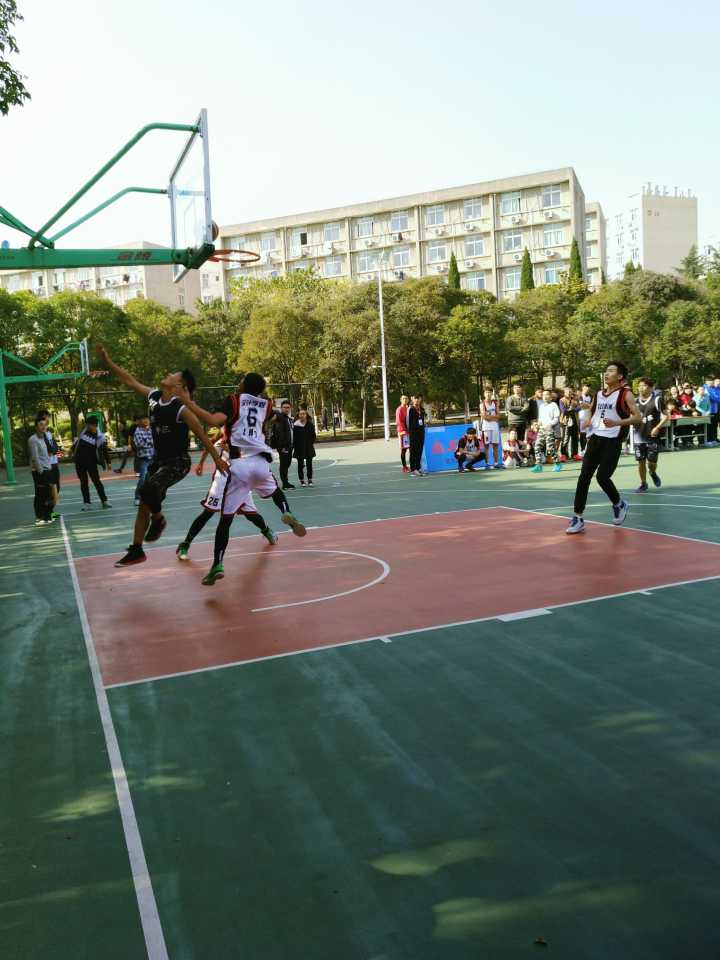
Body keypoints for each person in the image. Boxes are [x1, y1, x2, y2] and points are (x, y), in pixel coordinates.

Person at [96, 345, 227, 567]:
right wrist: (108, 361)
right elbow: (130, 381)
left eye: (173, 374)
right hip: (159, 461)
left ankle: (158, 520)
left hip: (178, 462)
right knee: (145, 501)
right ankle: (137, 550)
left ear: (179, 386)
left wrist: (216, 458)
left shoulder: (181, 409)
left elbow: (202, 434)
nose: (168, 374)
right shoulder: (154, 397)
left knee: (147, 489)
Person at [178, 372, 306, 586]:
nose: (238, 382)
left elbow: (212, 420)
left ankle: (217, 564)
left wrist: (187, 401)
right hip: (261, 464)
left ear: (244, 384)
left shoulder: (233, 401)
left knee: (225, 521)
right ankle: (286, 511)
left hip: (238, 465)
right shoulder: (265, 405)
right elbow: (274, 416)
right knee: (276, 491)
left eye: (242, 380)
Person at [566, 361, 641, 535]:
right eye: (606, 371)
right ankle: (578, 517)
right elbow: (592, 410)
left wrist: (617, 422)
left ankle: (619, 504)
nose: (606, 374)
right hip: (595, 439)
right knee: (584, 477)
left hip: (613, 441)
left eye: (611, 371)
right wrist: (588, 420)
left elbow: (638, 418)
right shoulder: (599, 394)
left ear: (620, 376)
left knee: (602, 477)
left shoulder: (626, 394)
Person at [176, 436, 277, 559]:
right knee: (208, 513)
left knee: (250, 514)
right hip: (222, 480)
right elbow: (208, 444)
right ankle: (185, 544)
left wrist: (232, 450)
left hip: (239, 480)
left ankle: (266, 530)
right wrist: (201, 463)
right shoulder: (224, 432)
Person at [634, 377, 667, 492]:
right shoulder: (634, 401)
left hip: (653, 437)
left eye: (644, 386)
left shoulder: (657, 400)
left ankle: (652, 472)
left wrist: (657, 427)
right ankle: (643, 483)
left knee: (651, 463)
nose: (641, 388)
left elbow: (666, 416)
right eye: (640, 386)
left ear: (652, 388)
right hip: (638, 436)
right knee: (641, 461)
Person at [73, 415, 112, 511]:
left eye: (89, 425)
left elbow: (104, 450)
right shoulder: (83, 434)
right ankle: (87, 503)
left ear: (94, 425)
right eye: (86, 424)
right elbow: (75, 446)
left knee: (97, 482)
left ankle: (104, 501)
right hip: (79, 462)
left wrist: (108, 462)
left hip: (91, 463)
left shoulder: (100, 437)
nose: (87, 426)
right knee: (84, 483)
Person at [28, 416, 55, 524]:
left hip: (47, 469)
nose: (44, 427)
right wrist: (41, 472)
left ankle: (46, 515)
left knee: (48, 494)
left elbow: (48, 454)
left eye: (45, 424)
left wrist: (49, 468)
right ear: (36, 427)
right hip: (39, 471)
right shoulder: (33, 440)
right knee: (40, 495)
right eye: (41, 425)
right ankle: (40, 517)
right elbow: (35, 457)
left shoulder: (44, 437)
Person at [36, 409, 61, 518]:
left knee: (57, 487)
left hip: (54, 463)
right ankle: (43, 513)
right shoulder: (39, 435)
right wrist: (52, 450)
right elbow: (49, 449)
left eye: (48, 417)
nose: (48, 420)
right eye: (46, 417)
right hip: (46, 465)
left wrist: (54, 451)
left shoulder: (49, 432)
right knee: (47, 489)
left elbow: (55, 447)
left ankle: (50, 510)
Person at [530, 390, 562, 473]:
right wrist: (537, 424)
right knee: (537, 446)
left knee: (550, 448)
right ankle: (538, 465)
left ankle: (558, 463)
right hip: (542, 430)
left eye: (547, 395)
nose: (545, 396)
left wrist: (550, 424)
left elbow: (556, 418)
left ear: (551, 397)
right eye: (543, 395)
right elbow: (540, 419)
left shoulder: (554, 405)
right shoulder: (541, 406)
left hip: (550, 429)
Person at [269, 400, 295, 489]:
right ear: (281, 408)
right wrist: (283, 446)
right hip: (284, 446)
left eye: (288, 407)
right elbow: (280, 433)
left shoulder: (287, 418)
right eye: (285, 407)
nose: (286, 409)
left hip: (289, 445)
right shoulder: (280, 417)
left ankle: (286, 482)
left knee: (287, 463)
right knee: (284, 464)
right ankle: (285, 483)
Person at [131, 413, 154, 506]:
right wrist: (150, 442)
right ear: (139, 421)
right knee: (143, 479)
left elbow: (154, 442)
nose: (146, 421)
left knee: (151, 479)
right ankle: (137, 497)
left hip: (152, 457)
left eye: (147, 419)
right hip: (143, 459)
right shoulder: (137, 431)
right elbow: (139, 444)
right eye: (143, 419)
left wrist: (147, 441)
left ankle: (149, 497)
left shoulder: (151, 430)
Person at [480, 389, 504, 468]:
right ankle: (487, 464)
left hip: (495, 427)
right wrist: (494, 418)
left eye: (489, 392)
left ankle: (496, 463)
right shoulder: (482, 404)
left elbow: (499, 415)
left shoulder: (495, 403)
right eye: (486, 392)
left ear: (492, 394)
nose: (488, 394)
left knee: (495, 446)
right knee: (486, 446)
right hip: (486, 427)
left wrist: (490, 417)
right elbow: (484, 417)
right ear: (484, 394)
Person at [293, 408, 317, 486]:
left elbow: (313, 436)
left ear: (306, 415)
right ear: (298, 415)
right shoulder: (296, 425)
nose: (302, 415)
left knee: (309, 464)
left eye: (304, 414)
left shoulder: (310, 424)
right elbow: (294, 438)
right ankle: (302, 480)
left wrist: (310, 443)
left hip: (308, 447)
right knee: (300, 464)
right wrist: (295, 446)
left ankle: (310, 479)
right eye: (301, 414)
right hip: (299, 448)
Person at [407, 395, 427, 477]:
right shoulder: (410, 409)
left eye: (418, 398)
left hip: (421, 433)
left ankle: (418, 468)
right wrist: (410, 432)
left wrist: (424, 425)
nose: (417, 400)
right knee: (413, 451)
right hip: (413, 433)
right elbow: (407, 422)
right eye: (415, 398)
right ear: (412, 399)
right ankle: (413, 468)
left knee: (419, 451)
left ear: (420, 399)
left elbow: (423, 420)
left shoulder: (422, 409)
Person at [559, 388, 581, 461]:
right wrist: (572, 409)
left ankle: (575, 454)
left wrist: (571, 409)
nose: (568, 393)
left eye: (570, 392)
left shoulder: (575, 399)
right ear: (564, 392)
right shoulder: (561, 400)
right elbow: (563, 411)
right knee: (565, 439)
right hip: (565, 422)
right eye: (567, 392)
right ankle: (564, 455)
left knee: (575, 439)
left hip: (575, 421)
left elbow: (579, 408)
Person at [395, 394, 411, 472]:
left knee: (411, 449)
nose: (405, 400)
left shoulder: (408, 408)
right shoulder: (399, 409)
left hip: (409, 432)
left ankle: (412, 465)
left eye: (406, 398)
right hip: (403, 432)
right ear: (401, 400)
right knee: (404, 450)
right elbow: (399, 421)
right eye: (403, 398)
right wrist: (403, 431)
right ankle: (404, 467)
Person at [704, 376, 720, 446]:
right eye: (709, 381)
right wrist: (718, 398)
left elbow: (716, 397)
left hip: (715, 410)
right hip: (708, 411)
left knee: (714, 425)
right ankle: (708, 440)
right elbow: (712, 397)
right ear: (706, 382)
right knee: (709, 426)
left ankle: (714, 439)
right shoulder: (705, 388)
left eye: (712, 381)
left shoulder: (713, 388)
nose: (711, 382)